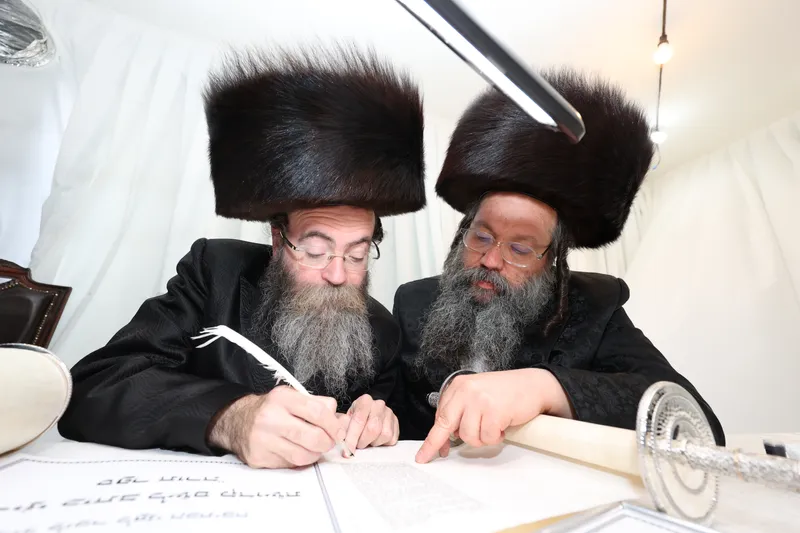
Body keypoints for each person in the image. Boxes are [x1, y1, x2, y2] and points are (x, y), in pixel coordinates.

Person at [58, 44, 426, 469]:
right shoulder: (216, 271)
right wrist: (230, 417)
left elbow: (377, 424)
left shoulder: (382, 331)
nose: (339, 274)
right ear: (278, 240)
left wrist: (380, 420)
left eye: (357, 255)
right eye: (315, 251)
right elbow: (96, 387)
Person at [391, 67, 725, 464]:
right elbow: (391, 406)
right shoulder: (413, 302)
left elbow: (697, 422)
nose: (491, 260)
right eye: (481, 236)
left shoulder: (594, 308)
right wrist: (373, 411)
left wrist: (546, 387)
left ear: (551, 260)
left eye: (520, 248)